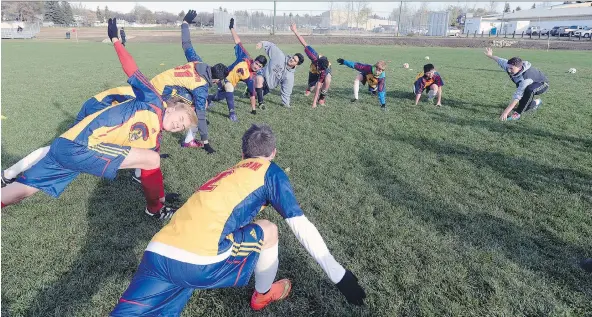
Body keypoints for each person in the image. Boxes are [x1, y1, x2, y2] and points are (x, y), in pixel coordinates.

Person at [110, 124, 366, 316]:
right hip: (200, 261)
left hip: (157, 252)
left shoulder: (230, 172)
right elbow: (301, 226)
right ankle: (262, 296)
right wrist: (339, 276)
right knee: (269, 230)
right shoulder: (270, 173)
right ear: (274, 152)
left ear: (242, 152)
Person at [1, 19, 195, 220]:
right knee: (152, 159)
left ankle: (156, 207)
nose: (178, 125)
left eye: (181, 127)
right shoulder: (153, 100)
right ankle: (155, 209)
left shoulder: (154, 140)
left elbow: (150, 173)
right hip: (80, 146)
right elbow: (132, 70)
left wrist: (160, 195)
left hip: (67, 148)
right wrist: (115, 41)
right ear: (171, 108)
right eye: (180, 119)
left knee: (20, 192)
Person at [208, 18, 267, 121]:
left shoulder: (251, 76)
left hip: (228, 82)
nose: (256, 66)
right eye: (256, 63)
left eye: (259, 66)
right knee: (227, 88)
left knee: (218, 97)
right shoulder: (244, 57)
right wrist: (231, 28)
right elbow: (238, 41)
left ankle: (208, 99)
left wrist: (253, 109)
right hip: (222, 75)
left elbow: (252, 93)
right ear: (254, 60)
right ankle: (232, 113)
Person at [484, 47, 549, 121]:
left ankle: (517, 114)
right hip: (529, 83)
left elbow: (517, 96)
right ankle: (536, 102)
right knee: (524, 101)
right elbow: (498, 59)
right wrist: (490, 56)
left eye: (511, 69)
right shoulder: (509, 65)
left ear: (519, 68)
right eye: (508, 68)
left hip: (542, 84)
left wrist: (505, 112)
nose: (509, 70)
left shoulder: (525, 79)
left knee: (529, 90)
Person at [252, 40, 304, 110]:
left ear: (297, 65)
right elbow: (271, 46)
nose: (292, 60)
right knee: (259, 78)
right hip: (261, 75)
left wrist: (286, 104)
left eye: (294, 60)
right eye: (292, 57)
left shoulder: (289, 76)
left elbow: (287, 91)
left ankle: (250, 91)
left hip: (268, 87)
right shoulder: (280, 56)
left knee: (254, 95)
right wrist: (261, 43)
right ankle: (261, 103)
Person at [290, 23, 331, 108]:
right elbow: (304, 43)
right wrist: (295, 31)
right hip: (313, 70)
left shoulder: (324, 71)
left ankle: (322, 99)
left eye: (321, 70)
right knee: (312, 87)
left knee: (327, 80)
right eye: (319, 69)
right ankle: (309, 88)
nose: (320, 71)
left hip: (326, 71)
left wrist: (314, 102)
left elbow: (319, 86)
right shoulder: (313, 56)